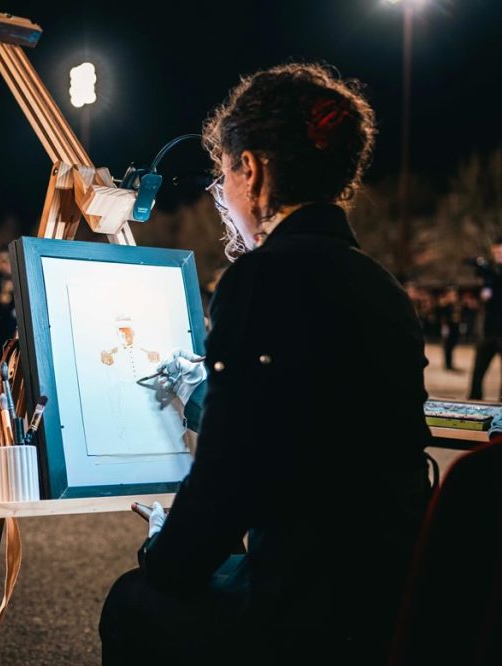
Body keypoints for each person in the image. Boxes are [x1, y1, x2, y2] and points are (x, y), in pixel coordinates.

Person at [99, 63, 432, 666]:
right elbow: (312, 431)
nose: (223, 197)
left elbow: (229, 481)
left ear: (251, 170)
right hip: (390, 596)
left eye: (223, 175)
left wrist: (162, 556)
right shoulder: (382, 286)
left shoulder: (265, 276)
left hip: (307, 619)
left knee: (133, 601)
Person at [468, 240, 502, 400]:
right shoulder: (490, 272)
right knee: (478, 370)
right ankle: (474, 400)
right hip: (489, 330)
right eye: (496, 253)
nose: (498, 256)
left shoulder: (494, 274)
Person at [436, 286, 462, 372]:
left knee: (452, 346)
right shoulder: (445, 304)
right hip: (447, 327)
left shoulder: (456, 305)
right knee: (447, 346)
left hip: (454, 327)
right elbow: (442, 316)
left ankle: (450, 363)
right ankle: (447, 364)